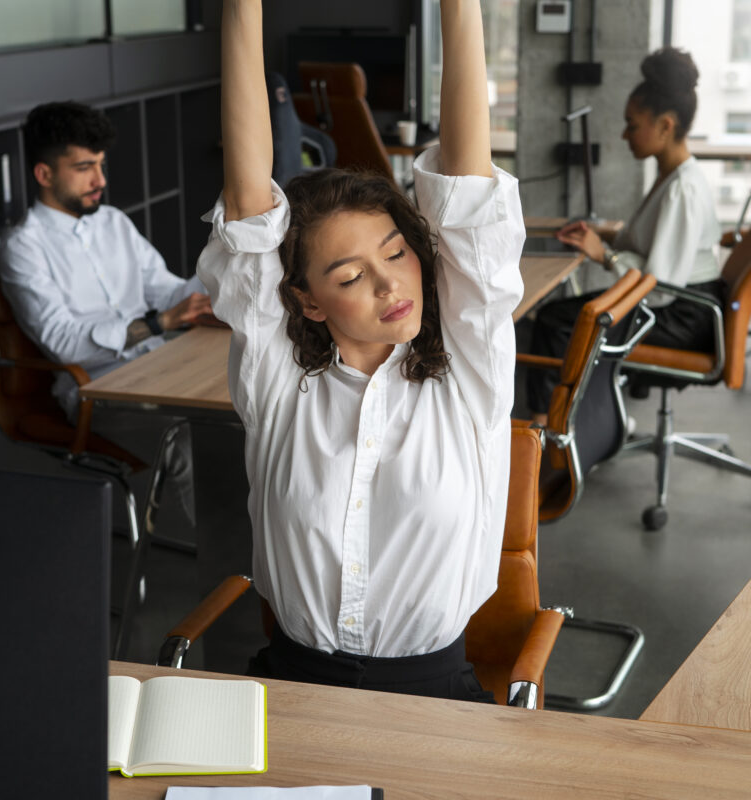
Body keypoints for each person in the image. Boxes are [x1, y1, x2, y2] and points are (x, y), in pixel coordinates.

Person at [195, 0, 524, 702]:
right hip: (290, 689)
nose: (388, 283)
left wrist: (459, 8)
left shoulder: (470, 375)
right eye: (348, 277)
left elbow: (469, 187)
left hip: (435, 695)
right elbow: (251, 208)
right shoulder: (280, 386)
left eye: (397, 253)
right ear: (309, 301)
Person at [0, 101, 214, 522]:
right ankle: (228, 575)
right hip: (95, 395)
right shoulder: (23, 247)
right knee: (189, 443)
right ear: (44, 174)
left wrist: (222, 267)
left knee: (244, 414)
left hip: (157, 368)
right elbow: (64, 345)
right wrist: (158, 323)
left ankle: (256, 553)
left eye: (100, 164)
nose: (101, 179)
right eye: (83, 168)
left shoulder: (112, 221)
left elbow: (169, 290)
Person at [527, 47, 724, 421]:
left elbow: (662, 286)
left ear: (666, 126)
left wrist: (604, 254)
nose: (624, 134)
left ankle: (546, 432)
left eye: (632, 125)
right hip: (678, 305)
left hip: (683, 314)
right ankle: (580, 420)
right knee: (562, 316)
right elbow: (650, 248)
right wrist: (603, 238)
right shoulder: (672, 178)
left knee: (556, 321)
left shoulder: (684, 189)